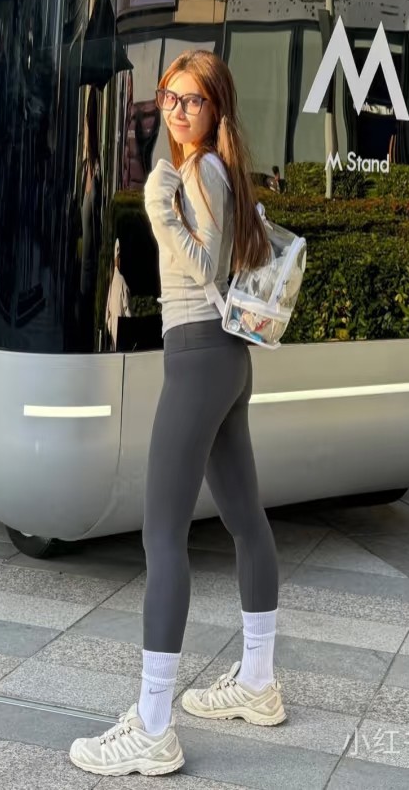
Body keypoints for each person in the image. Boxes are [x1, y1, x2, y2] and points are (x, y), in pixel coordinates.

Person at [70, 52, 283, 777]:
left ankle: (154, 726)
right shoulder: (211, 171)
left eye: (194, 100)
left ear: (217, 110)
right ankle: (257, 684)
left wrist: (160, 203)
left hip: (198, 359)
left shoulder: (198, 173)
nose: (179, 110)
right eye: (171, 97)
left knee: (162, 537)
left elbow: (206, 265)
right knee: (245, 520)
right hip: (221, 358)